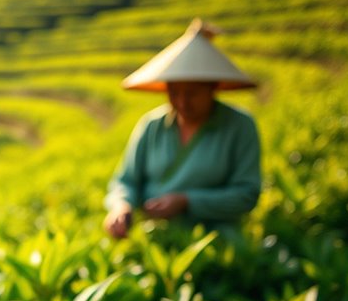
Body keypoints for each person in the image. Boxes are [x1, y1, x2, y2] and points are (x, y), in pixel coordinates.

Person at [104, 19, 261, 239]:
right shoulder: (152, 125)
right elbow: (125, 181)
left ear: (213, 87)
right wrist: (121, 206)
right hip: (154, 235)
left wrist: (186, 201)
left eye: (192, 93)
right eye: (174, 93)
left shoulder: (239, 126)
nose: (182, 102)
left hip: (215, 239)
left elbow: (246, 194)